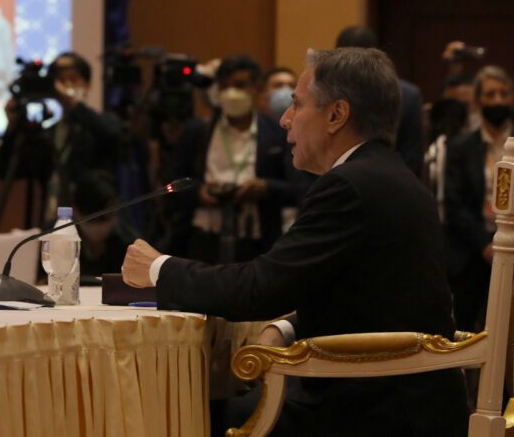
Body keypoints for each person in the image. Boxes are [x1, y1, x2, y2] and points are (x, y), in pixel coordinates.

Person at [121, 47, 467, 435]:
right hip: (407, 397)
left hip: (375, 411)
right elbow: (369, 300)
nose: (284, 120)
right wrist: (287, 328)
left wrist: (157, 267)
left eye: (297, 105)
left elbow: (258, 289)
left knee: (203, 415)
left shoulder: (350, 186)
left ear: (336, 115)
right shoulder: (388, 176)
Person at [179, 55, 301, 263]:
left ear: (256, 88)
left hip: (257, 241)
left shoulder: (277, 133)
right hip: (204, 239)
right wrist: (200, 191)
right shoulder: (198, 131)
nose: (231, 93)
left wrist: (266, 188)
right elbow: (173, 182)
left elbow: (301, 188)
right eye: (224, 86)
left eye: (240, 85)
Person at [0, 52, 122, 224]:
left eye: (73, 79)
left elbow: (114, 137)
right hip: (52, 225)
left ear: (87, 84)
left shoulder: (102, 125)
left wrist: (74, 104)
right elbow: (8, 170)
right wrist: (12, 128)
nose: (65, 87)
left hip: (92, 224)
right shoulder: (48, 134)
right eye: (60, 80)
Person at [444, 65, 513, 331]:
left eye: (503, 94)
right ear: (478, 101)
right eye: (490, 94)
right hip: (473, 250)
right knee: (464, 329)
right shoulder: (461, 147)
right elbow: (455, 204)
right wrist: (486, 246)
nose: (497, 100)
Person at [335, 26, 424, 176]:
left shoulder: (323, 93)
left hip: (336, 180)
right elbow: (411, 159)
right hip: (389, 181)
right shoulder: (408, 95)